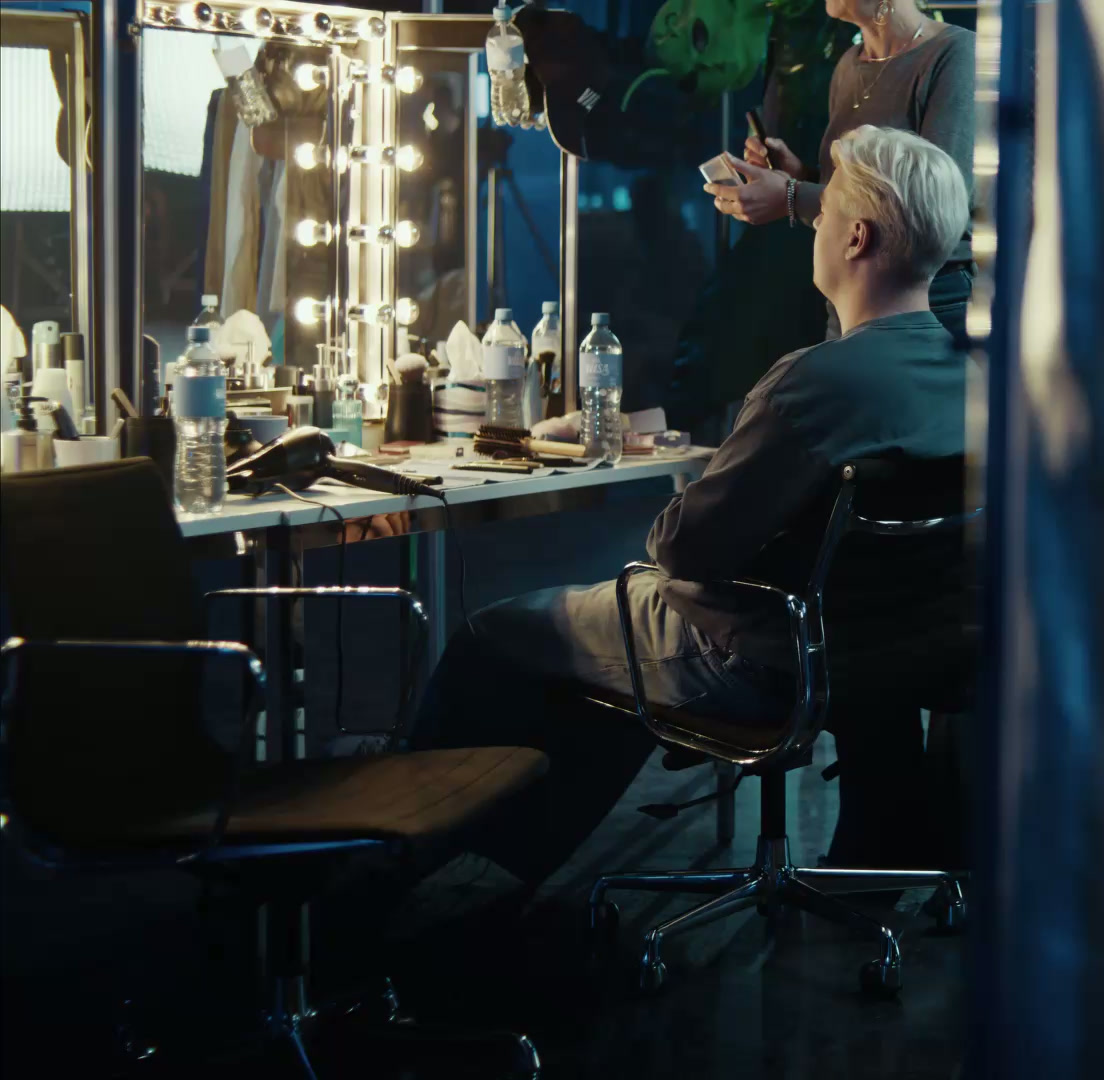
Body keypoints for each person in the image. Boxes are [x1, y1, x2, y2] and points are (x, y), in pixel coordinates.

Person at [408, 126, 974, 885]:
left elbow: (684, 548)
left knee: (494, 634)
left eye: (825, 210)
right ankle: (507, 877)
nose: (815, 225)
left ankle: (401, 873)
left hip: (760, 655)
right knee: (603, 657)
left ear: (856, 238)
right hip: (899, 653)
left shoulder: (814, 382)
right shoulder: (977, 382)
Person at [706, 0, 976, 349]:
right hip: (848, 308)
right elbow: (860, 191)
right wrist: (800, 174)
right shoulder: (849, 64)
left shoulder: (955, 55)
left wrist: (793, 195)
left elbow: (937, 209)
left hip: (926, 313)